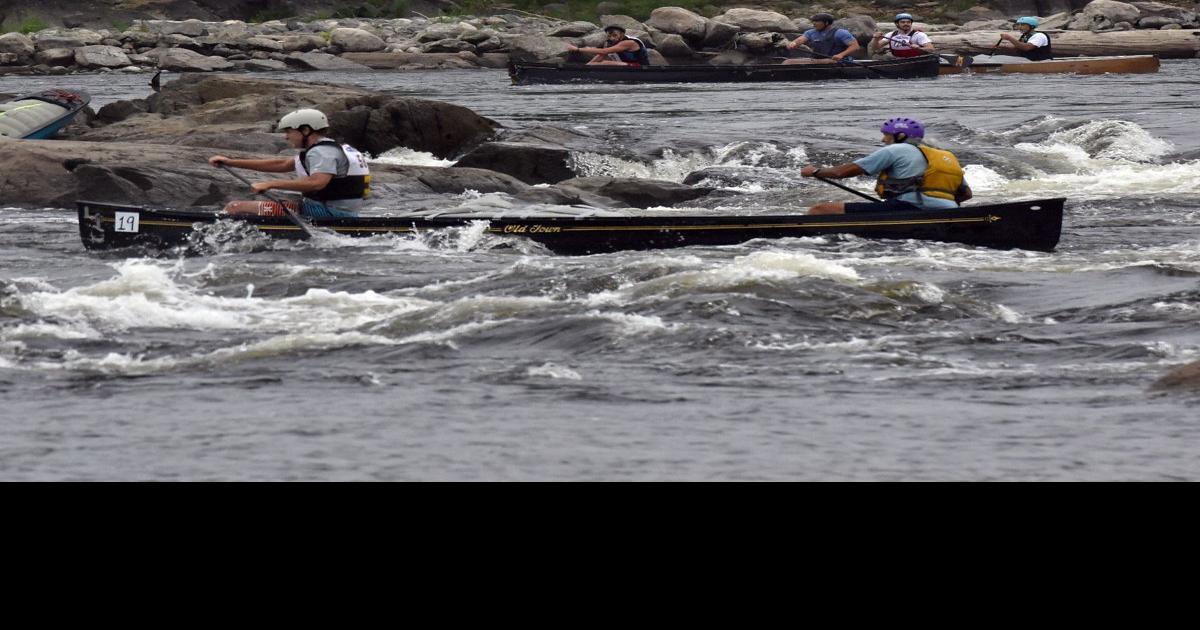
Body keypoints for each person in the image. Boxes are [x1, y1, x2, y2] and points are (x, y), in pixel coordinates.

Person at [208, 109, 371, 219]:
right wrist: (231, 162)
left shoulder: (321, 152)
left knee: (235, 207)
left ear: (306, 130)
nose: (286, 137)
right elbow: (281, 163)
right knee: (274, 202)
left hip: (325, 214)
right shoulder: (329, 148)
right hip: (338, 211)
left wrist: (271, 184)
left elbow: (317, 183)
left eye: (289, 132)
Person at [800, 117, 972, 215]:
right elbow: (966, 194)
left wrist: (815, 171)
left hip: (909, 208)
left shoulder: (895, 150)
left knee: (821, 209)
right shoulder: (946, 155)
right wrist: (936, 204)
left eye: (887, 135)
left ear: (901, 136)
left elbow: (841, 172)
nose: (883, 140)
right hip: (949, 211)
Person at [785, 13, 862, 64]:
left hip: (836, 60)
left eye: (817, 21)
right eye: (813, 21)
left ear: (827, 23)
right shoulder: (811, 32)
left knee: (791, 62)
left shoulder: (840, 33)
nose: (814, 24)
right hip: (818, 60)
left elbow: (855, 46)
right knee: (787, 62)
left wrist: (841, 55)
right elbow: (799, 40)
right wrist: (793, 44)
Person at [566, 25, 650, 66]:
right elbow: (602, 55)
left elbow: (604, 51)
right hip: (624, 65)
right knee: (595, 64)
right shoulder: (608, 43)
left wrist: (578, 49)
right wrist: (587, 66)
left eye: (614, 35)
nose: (612, 38)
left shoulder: (629, 42)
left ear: (622, 34)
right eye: (609, 36)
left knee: (604, 63)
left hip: (639, 67)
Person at [870, 13, 935, 59]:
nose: (906, 24)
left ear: (911, 23)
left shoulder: (918, 35)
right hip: (898, 60)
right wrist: (875, 39)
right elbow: (875, 48)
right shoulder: (891, 34)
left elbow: (931, 49)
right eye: (903, 22)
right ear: (897, 24)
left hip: (917, 60)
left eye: (908, 22)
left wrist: (919, 48)